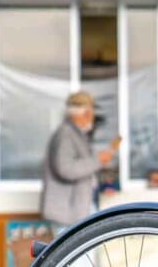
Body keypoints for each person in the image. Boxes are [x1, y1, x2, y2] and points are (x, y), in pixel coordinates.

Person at [40, 91, 114, 232]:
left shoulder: (76, 134)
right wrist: (98, 160)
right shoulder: (66, 134)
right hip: (67, 215)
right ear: (84, 113)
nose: (92, 117)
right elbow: (65, 169)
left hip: (75, 212)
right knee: (78, 254)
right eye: (90, 112)